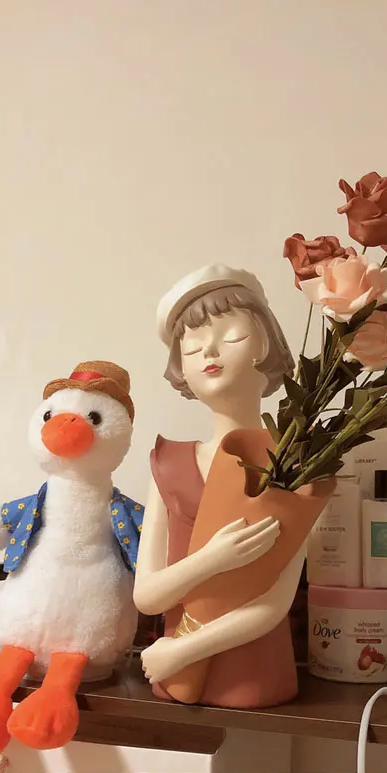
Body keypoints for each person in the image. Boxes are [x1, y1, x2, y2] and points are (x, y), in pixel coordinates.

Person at [134, 265, 301, 708]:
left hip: (253, 675)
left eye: (231, 336)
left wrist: (183, 651)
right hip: (173, 673)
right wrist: (212, 559)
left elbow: (275, 603)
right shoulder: (169, 464)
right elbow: (147, 596)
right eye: (192, 346)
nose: (209, 349)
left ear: (266, 346)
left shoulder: (292, 466)